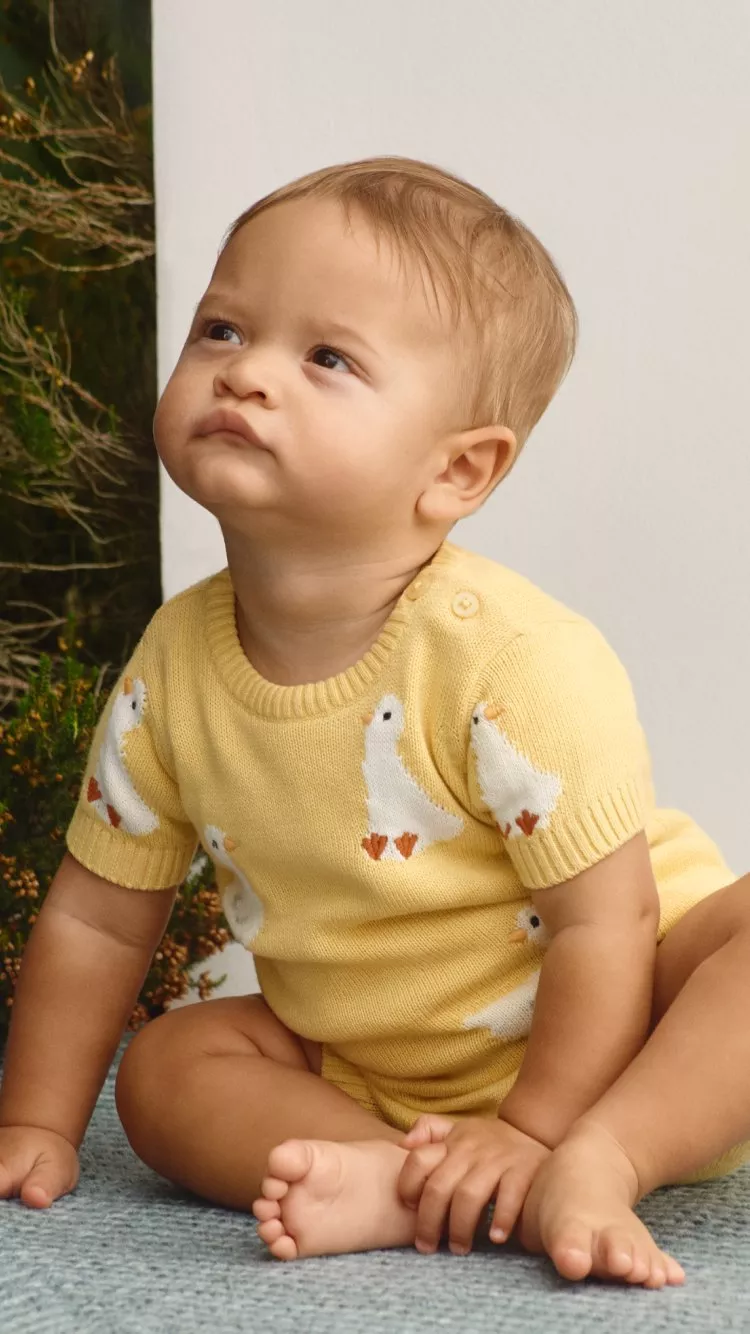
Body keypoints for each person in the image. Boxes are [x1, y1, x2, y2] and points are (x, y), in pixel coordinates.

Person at [1, 156, 747, 1291]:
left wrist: (547, 1125)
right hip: (372, 1058)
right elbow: (101, 924)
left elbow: (609, 921)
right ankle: (401, 1177)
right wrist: (39, 1118)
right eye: (221, 329)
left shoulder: (508, 657)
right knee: (167, 1067)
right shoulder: (172, 668)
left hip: (642, 1023)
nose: (246, 375)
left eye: (327, 357)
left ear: (457, 470)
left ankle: (603, 1159)